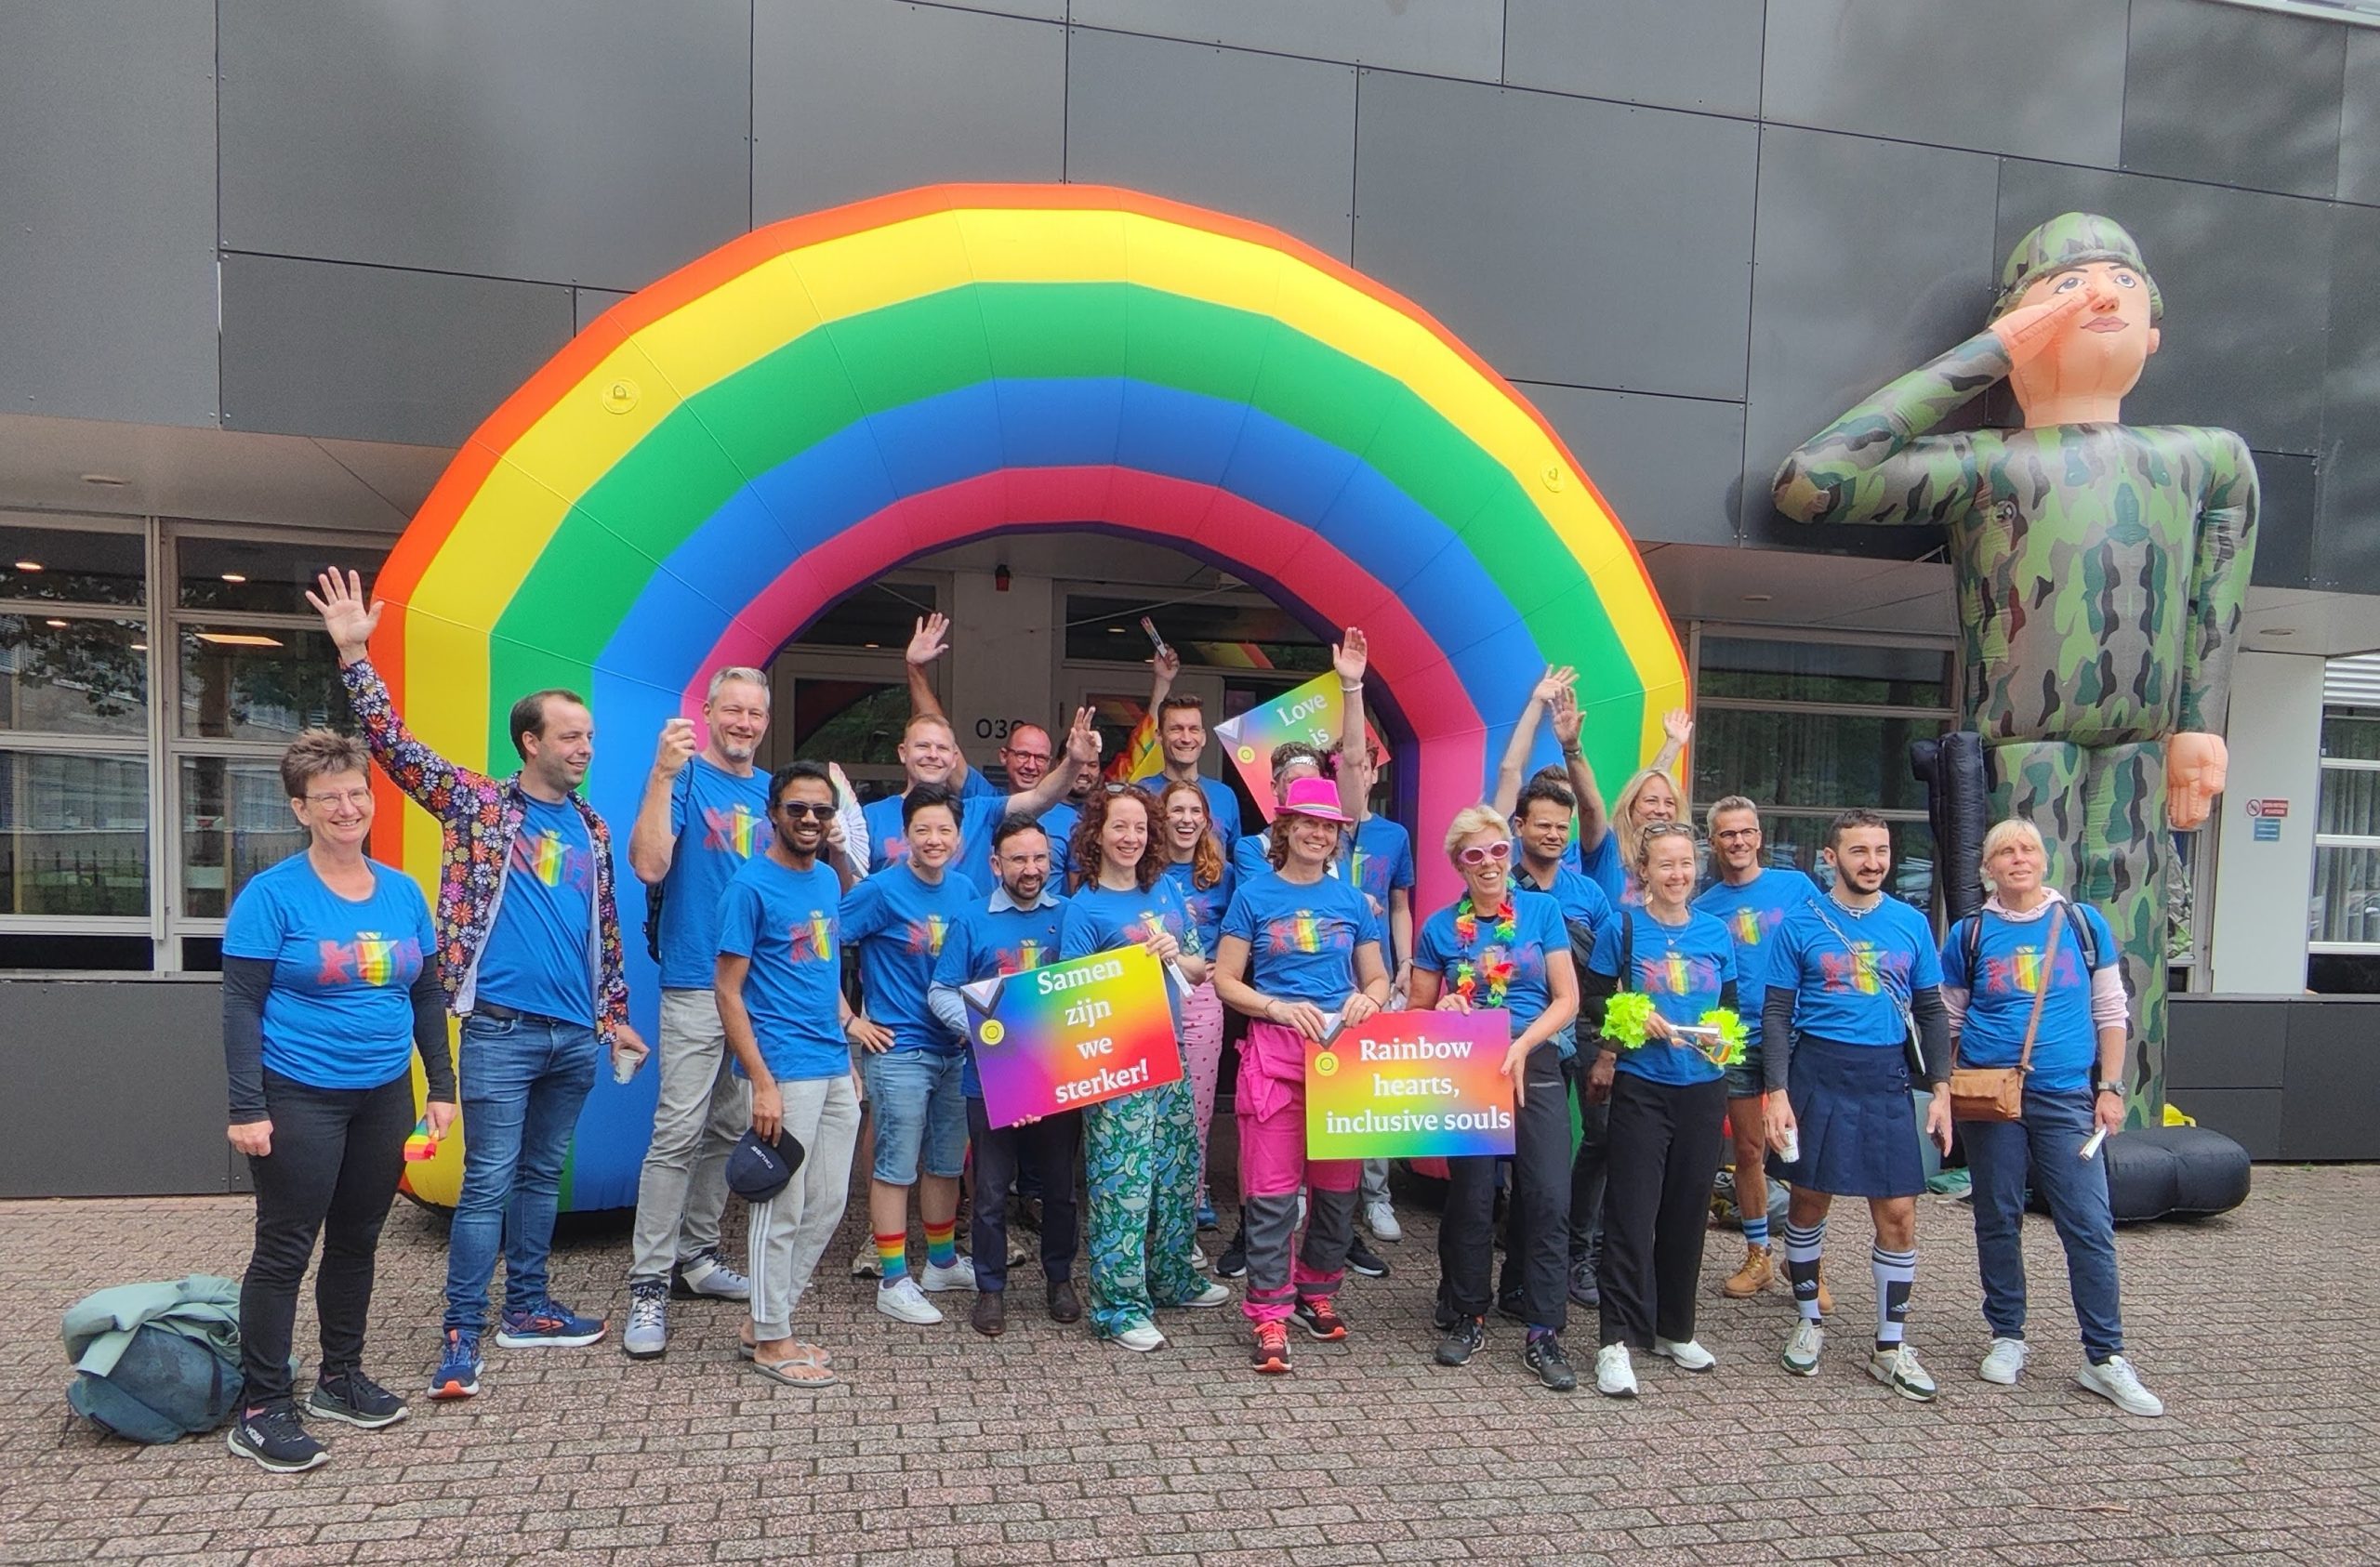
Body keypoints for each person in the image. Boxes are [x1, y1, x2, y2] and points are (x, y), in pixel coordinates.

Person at [1776, 213, 2259, 1117]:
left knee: (2129, 940)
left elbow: (2218, 589)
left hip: (2143, 742)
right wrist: (1992, 353)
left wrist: (2200, 722)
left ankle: (2127, 1110)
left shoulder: (2203, 458)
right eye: (2066, 286)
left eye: (2121, 280)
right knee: (2017, 933)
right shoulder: (1988, 465)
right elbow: (1816, 481)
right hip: (2021, 744)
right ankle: (2014, 1112)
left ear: (2154, 330)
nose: (2099, 295)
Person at [309, 571, 648, 1402]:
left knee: (539, 1176)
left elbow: (602, 928)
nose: (585, 748)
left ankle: (526, 1308)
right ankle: (461, 1332)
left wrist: (614, 1015)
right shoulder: (479, 806)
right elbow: (394, 745)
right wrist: (355, 655)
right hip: (500, 1029)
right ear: (529, 741)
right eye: (570, 736)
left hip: (576, 1037)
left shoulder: (594, 828)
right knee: (489, 1179)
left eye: (590, 736)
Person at [220, 731, 457, 1471]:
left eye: (357, 792)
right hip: (298, 1093)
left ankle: (339, 1378)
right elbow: (240, 1005)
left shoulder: (402, 892)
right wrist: (246, 1107)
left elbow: (426, 994)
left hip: (382, 1092)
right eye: (329, 798)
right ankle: (263, 1407)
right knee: (285, 1248)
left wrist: (441, 1088)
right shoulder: (272, 896)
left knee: (358, 1239)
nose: (348, 807)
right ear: (301, 809)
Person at [1943, 819, 2162, 1416]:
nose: (2018, 858)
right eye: (2005, 852)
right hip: (1991, 1098)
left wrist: (2110, 1089)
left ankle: (2104, 1357)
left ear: (2044, 860)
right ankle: (2007, 1335)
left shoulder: (2084, 925)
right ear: (1988, 868)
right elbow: (1951, 1020)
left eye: (2028, 849)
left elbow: (2111, 1011)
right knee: (1997, 1215)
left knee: (2088, 1223)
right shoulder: (1969, 934)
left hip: (2067, 1097)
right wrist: (1949, 1092)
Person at [1763, 809, 1954, 1401]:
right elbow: (1776, 1013)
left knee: (1899, 1212)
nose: (1872, 863)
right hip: (1817, 1072)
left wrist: (1942, 1090)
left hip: (1885, 1077)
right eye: (1859, 851)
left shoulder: (1912, 924)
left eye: (1882, 851)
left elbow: (1931, 1010)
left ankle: (1890, 1347)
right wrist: (1776, 1093)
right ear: (1831, 857)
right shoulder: (1800, 923)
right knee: (1808, 1201)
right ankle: (1808, 1322)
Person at [620, 668, 778, 1359]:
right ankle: (649, 1284)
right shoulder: (682, 777)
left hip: (759, 989)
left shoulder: (773, 792)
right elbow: (649, 865)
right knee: (677, 1133)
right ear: (709, 712)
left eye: (755, 713)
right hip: (694, 979)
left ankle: (697, 1257)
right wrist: (661, 775)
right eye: (732, 710)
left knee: (730, 1127)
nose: (743, 723)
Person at [1211, 774, 1391, 1375]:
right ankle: (1268, 1311)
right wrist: (1275, 1007)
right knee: (1270, 1195)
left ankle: (1317, 1290)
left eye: (1328, 826)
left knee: (1337, 1195)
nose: (1318, 834)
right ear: (1285, 828)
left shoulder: (1352, 902)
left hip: (1340, 1059)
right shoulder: (1253, 896)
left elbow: (1377, 978)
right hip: (1274, 1057)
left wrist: (1369, 998)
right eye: (1308, 823)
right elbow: (1225, 979)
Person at [1411, 807, 1580, 1391]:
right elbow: (1418, 1009)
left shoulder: (1543, 912)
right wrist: (1443, 1007)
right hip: (1469, 1066)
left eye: (1498, 850)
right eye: (1474, 854)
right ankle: (1468, 1312)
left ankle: (1544, 1328)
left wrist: (1524, 1044)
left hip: (1533, 1057)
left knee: (1549, 1194)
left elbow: (1566, 998)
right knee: (1473, 1196)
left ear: (1511, 852)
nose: (1489, 863)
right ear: (1459, 864)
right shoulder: (1439, 927)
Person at [1059, 785, 1233, 1350]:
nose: (1130, 837)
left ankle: (1172, 1277)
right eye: (1120, 826)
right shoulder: (1083, 907)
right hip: (1118, 1060)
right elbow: (1071, 996)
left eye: (1139, 827)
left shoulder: (1167, 890)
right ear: (1097, 834)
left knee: (1177, 1174)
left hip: (1172, 1051)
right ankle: (1118, 1307)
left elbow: (1199, 968)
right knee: (1123, 1186)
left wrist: (1174, 954)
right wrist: (1126, 962)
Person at [715, 761, 866, 1388]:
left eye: (821, 811)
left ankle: (766, 1321)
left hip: (831, 1061)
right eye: (797, 808)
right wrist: (761, 1081)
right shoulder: (749, 887)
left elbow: (824, 974)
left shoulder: (827, 879)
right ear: (773, 813)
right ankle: (772, 1337)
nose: (810, 819)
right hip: (782, 1067)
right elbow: (727, 991)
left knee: (827, 1202)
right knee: (781, 1205)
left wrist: (847, 1048)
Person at [1580, 822, 1739, 1398]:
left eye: (1686, 864)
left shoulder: (1716, 931)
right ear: (1644, 871)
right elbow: (1593, 995)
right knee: (1631, 1214)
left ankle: (1675, 1329)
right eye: (1666, 864)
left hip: (1703, 1089)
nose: (1678, 874)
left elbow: (1730, 1005)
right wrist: (1630, 1011)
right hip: (1643, 1087)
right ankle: (1614, 1342)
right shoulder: (1623, 927)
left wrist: (1722, 1037)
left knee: (1687, 1212)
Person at [926, 814, 1084, 1337]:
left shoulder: (1070, 914)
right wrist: (981, 1031)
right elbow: (941, 991)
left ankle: (1059, 1280)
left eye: (1040, 858)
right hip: (991, 1078)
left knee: (1059, 1191)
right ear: (996, 864)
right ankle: (990, 1289)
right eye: (1018, 859)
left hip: (1059, 1075)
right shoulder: (971, 920)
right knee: (991, 1193)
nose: (1031, 869)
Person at [842, 784, 991, 1324]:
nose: (934, 839)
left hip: (955, 1049)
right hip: (900, 1049)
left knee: (947, 1162)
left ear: (958, 836)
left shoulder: (966, 890)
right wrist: (850, 1020)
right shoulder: (879, 890)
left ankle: (942, 1263)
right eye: (922, 829)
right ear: (905, 835)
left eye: (944, 829)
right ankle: (893, 1278)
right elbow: (819, 946)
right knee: (896, 1165)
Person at [1692, 796, 1822, 1301]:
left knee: (1809, 1154)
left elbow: (1824, 945)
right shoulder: (1704, 908)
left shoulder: (1797, 887)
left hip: (1797, 1030)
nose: (1738, 841)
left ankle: (1808, 1262)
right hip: (1739, 1037)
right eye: (1728, 834)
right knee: (1749, 1151)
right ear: (1713, 842)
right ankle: (1758, 1255)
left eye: (1747, 832)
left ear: (1760, 837)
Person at [1504, 748, 1617, 1313]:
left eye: (1560, 827)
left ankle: (1574, 1256)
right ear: (1518, 826)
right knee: (1528, 1162)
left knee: (1593, 1141)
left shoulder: (1589, 893)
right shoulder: (1500, 887)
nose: (1552, 834)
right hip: (1525, 1035)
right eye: (1542, 825)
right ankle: (1518, 1276)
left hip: (1585, 1027)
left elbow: (1608, 970)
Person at [1490, 665, 1691, 908]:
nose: (1556, 806)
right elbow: (1510, 771)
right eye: (1547, 801)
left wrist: (1672, 745)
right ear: (1523, 821)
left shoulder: (1597, 847)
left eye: (1565, 799)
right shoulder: (1515, 842)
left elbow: (1645, 796)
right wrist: (1536, 703)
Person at [1335, 736, 1417, 1248]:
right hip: (1329, 976)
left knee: (1375, 1090)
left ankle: (1375, 1194)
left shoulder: (1394, 834)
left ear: (1374, 773)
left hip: (1378, 976)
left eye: (1366, 766)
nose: (1357, 774)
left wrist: (1405, 962)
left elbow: (1400, 904)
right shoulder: (1324, 831)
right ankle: (1313, 1190)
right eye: (1348, 766)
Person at [1156, 778, 1235, 1236]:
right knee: (1155, 1102)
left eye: (1194, 812)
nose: (1186, 820)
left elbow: (1240, 929)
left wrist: (1222, 965)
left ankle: (1194, 1189)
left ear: (1206, 821)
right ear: (1161, 819)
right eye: (1177, 811)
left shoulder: (1222, 874)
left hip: (1202, 994)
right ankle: (1155, 1193)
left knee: (1198, 1103)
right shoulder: (1145, 871)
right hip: (1149, 994)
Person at [1145, 643, 1247, 844]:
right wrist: (1162, 681)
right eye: (1176, 729)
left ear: (1203, 737)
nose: (1186, 738)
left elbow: (1233, 856)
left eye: (1193, 729)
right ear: (1158, 736)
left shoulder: (1225, 796)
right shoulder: (1142, 793)